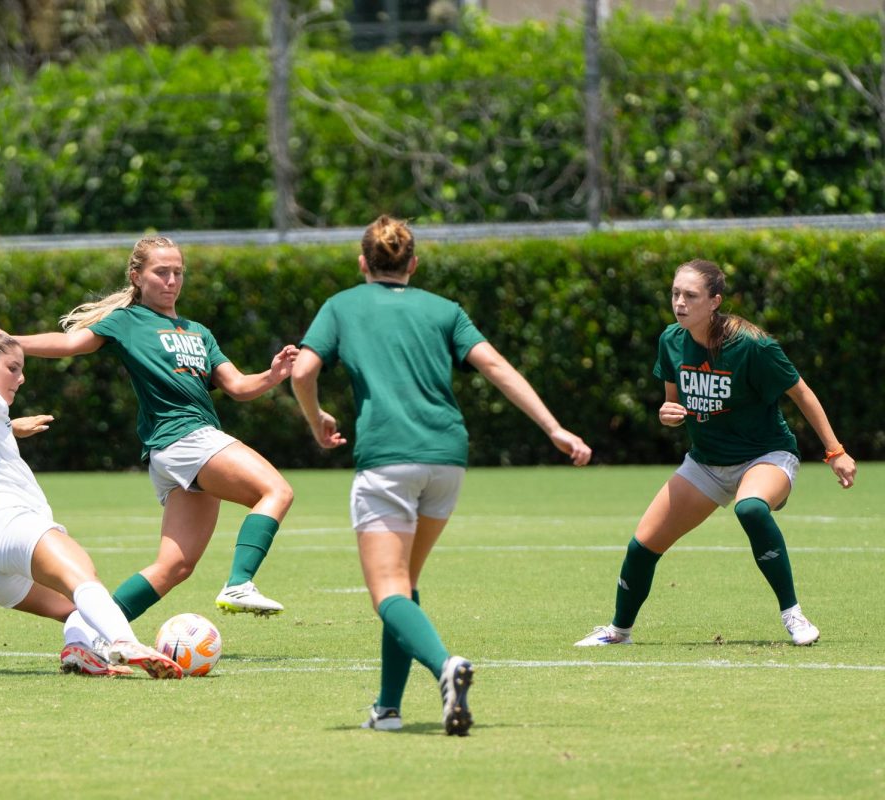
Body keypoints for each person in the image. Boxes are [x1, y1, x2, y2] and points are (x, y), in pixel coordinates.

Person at [290, 215, 592, 736]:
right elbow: (496, 366)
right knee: (404, 583)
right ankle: (386, 709)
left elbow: (301, 371)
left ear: (363, 263)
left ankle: (445, 666)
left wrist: (316, 418)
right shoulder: (443, 309)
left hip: (388, 457)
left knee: (387, 589)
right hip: (447, 457)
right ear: (414, 263)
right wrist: (554, 428)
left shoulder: (342, 305)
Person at [0, 235, 297, 622]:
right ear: (137, 276)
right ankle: (239, 582)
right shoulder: (127, 321)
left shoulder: (199, 332)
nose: (171, 281)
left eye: (178, 273)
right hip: (185, 438)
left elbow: (237, 386)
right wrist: (8, 341)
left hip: (178, 452)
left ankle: (92, 632)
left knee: (174, 568)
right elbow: (70, 344)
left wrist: (272, 376)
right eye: (161, 272)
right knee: (276, 490)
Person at [574, 258, 857, 648]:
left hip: (766, 455)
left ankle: (793, 615)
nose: (680, 302)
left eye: (690, 295)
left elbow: (801, 392)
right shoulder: (671, 341)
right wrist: (668, 415)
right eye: (675, 293)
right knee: (642, 546)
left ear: (714, 301)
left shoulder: (753, 346)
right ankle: (618, 631)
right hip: (706, 463)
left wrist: (835, 451)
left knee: (751, 508)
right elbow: (674, 407)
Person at [0, 329, 183, 679]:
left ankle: (79, 651)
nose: (21, 377)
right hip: (6, 523)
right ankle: (125, 642)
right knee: (82, 575)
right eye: (12, 367)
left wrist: (9, 427)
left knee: (76, 608)